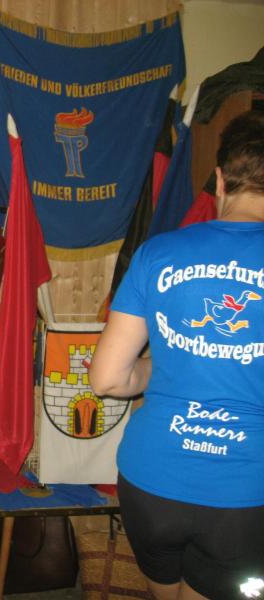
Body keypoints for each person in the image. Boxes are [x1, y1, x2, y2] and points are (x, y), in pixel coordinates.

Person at [90, 110, 264, 600]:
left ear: (220, 180)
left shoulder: (158, 253)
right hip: (244, 493)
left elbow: (107, 379)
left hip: (151, 483)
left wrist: (158, 368)